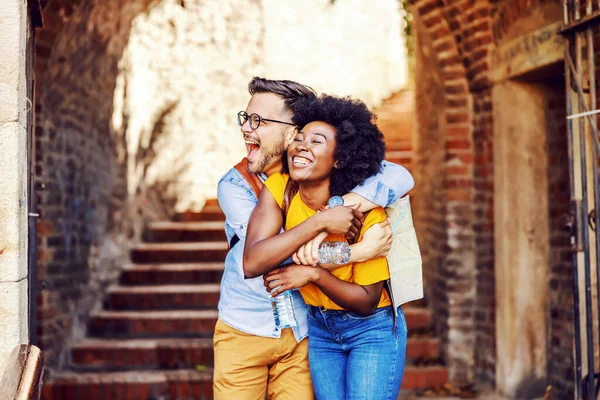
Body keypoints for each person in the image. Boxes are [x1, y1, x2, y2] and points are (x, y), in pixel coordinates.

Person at [215, 77, 413, 400]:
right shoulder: (240, 186)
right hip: (246, 325)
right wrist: (351, 246)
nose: (246, 129)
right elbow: (265, 258)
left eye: (258, 121)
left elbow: (401, 177)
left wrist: (341, 206)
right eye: (246, 118)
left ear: (291, 131)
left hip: (306, 331)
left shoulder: (350, 191)